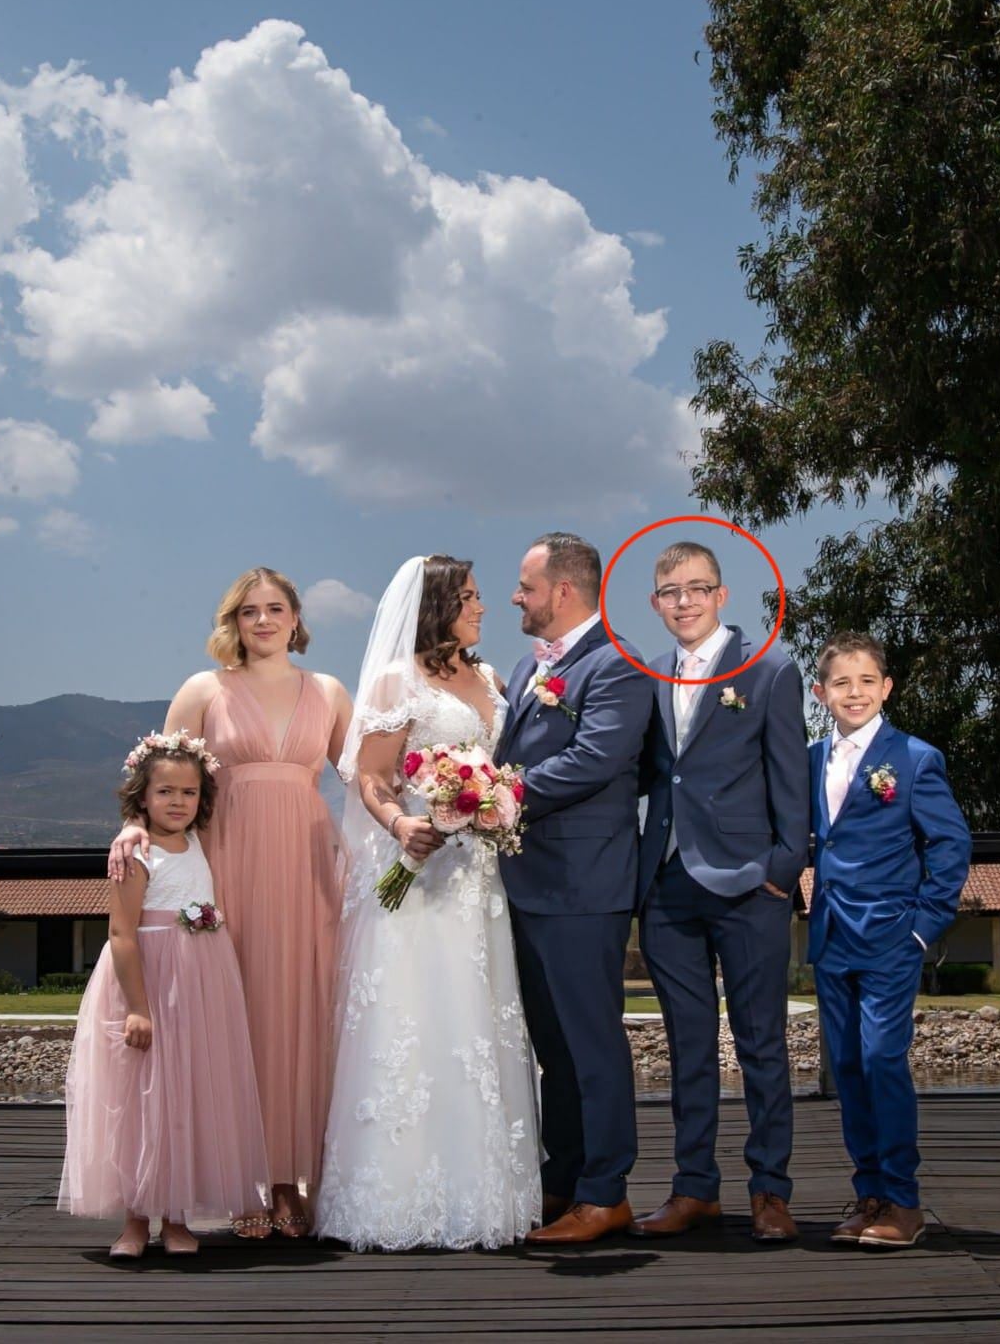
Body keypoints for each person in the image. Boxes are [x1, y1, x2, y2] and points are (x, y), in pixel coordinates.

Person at [108, 568, 351, 1237]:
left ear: (297, 617)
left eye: (276, 608)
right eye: (250, 611)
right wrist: (134, 826)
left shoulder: (328, 691)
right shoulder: (203, 689)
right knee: (232, 1017)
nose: (264, 620)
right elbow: (159, 776)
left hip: (306, 872)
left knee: (296, 1015)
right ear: (234, 621)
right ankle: (239, 1176)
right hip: (225, 868)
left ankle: (285, 1181)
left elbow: (368, 779)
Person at [314, 555, 540, 1251]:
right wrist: (401, 825)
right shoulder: (396, 681)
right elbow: (372, 776)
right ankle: (395, 1194)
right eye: (469, 597)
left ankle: (484, 1192)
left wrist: (496, 805)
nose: (482, 607)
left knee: (478, 1019)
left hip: (478, 878)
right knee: (413, 1017)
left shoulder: (494, 679)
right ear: (436, 605)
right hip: (416, 871)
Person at [634, 541, 808, 1243]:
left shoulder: (769, 669)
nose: (683, 601)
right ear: (654, 602)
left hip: (748, 883)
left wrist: (780, 870)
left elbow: (790, 780)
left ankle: (770, 1189)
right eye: (670, 591)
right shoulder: (646, 676)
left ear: (722, 595)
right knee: (687, 1044)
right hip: (669, 884)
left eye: (696, 588)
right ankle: (694, 1186)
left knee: (762, 1040)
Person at [496, 533, 653, 1245]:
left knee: (591, 1044)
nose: (516, 598)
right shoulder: (535, 667)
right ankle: (562, 1179)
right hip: (528, 882)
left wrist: (500, 793)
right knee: (553, 1046)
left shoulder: (617, 665)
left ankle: (605, 1192)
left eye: (525, 585)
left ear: (563, 590)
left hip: (585, 885)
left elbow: (596, 760)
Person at [61, 732, 269, 1257]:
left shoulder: (198, 841)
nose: (178, 802)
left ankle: (177, 1218)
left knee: (186, 1093)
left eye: (189, 792)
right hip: (151, 979)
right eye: (165, 792)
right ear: (141, 797)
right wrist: (136, 1007)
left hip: (199, 983)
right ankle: (135, 1220)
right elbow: (121, 933)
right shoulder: (136, 853)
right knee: (141, 1097)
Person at [808, 631, 971, 1249]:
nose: (856, 693)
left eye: (867, 681)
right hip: (830, 933)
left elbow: (950, 845)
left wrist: (922, 927)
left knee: (882, 1061)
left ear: (887, 687)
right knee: (847, 1067)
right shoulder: (809, 756)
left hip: (891, 937)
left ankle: (904, 1201)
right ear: (822, 694)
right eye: (842, 683)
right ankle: (869, 1191)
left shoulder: (914, 758)